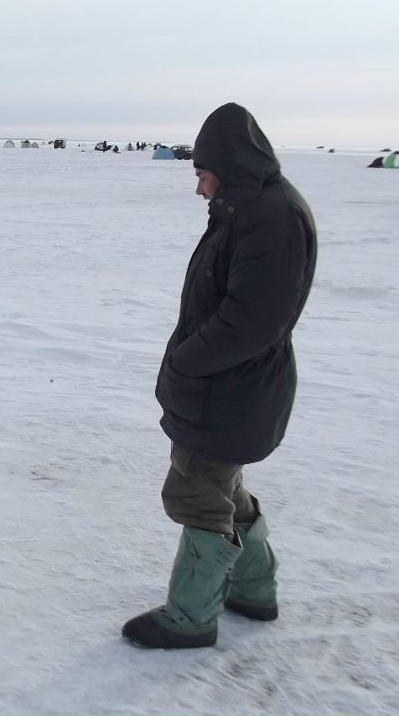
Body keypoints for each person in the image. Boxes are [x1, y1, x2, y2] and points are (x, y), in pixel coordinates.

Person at [122, 102, 317, 650]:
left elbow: (250, 323)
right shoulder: (252, 208)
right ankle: (252, 589)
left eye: (202, 173)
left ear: (227, 166)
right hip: (231, 387)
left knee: (199, 491)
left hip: (229, 387)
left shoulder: (271, 217)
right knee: (222, 484)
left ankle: (190, 618)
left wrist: (186, 363)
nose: (199, 187)